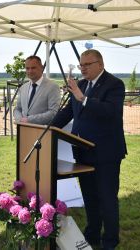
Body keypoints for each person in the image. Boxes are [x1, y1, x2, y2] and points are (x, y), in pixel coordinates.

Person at [52, 49, 127, 250]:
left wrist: (81, 96)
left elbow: (108, 112)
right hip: (83, 150)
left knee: (107, 198)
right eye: (81, 65)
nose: (83, 68)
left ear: (100, 65)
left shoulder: (114, 85)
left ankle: (110, 241)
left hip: (106, 153)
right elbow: (68, 111)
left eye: (87, 64)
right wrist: (48, 129)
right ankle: (92, 234)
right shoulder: (82, 85)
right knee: (90, 196)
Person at [13, 55, 60, 125]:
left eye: (33, 68)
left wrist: (28, 120)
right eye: (27, 68)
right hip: (23, 130)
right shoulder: (23, 88)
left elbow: (53, 113)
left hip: (42, 132)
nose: (30, 71)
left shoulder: (52, 87)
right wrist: (20, 119)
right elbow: (17, 109)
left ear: (41, 68)